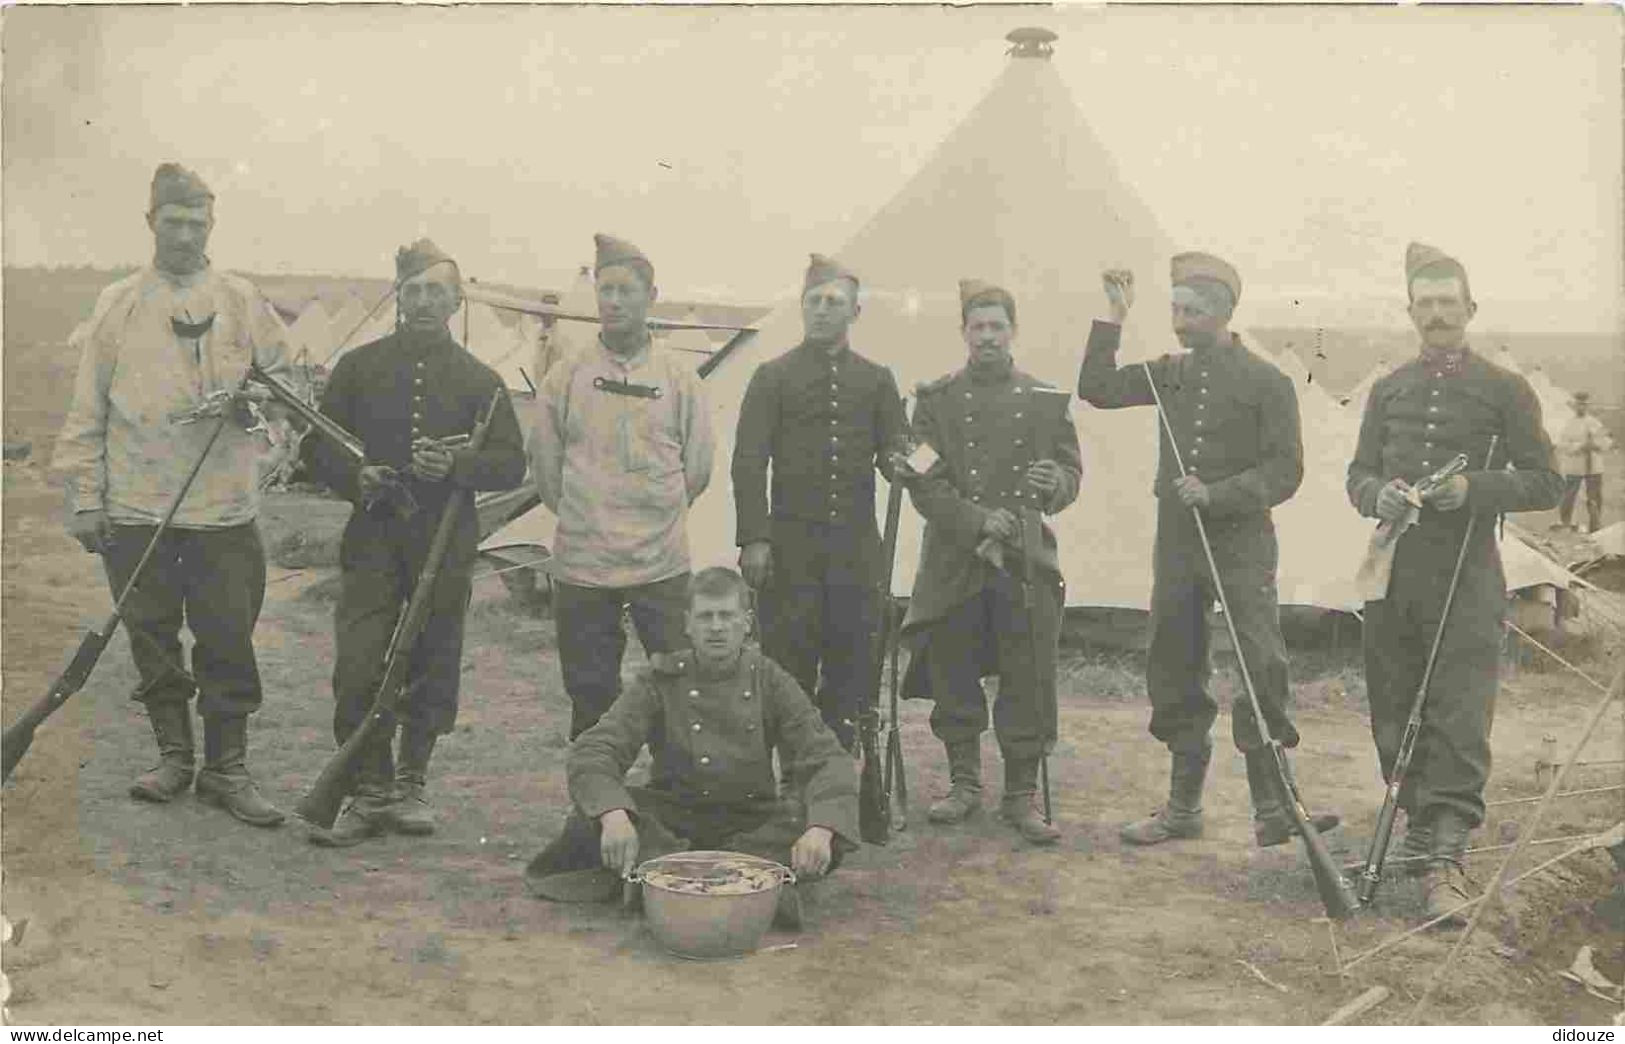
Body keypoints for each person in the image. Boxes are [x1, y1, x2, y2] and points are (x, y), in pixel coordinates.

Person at [51, 162, 291, 826]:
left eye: (197, 222)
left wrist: (256, 405)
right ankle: (174, 758)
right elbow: (87, 409)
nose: (185, 234)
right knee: (152, 635)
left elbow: (288, 392)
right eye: (173, 221)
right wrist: (86, 498)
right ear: (151, 221)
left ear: (212, 225)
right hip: (137, 508)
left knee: (227, 637)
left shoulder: (243, 301)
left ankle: (226, 770)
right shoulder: (118, 304)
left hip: (224, 510)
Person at [1076, 255, 1337, 850]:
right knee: (1175, 658)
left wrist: (1218, 494)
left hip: (1242, 543)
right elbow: (1096, 389)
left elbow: (1286, 470)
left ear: (1223, 313)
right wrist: (1114, 317)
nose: (1179, 321)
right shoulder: (1168, 372)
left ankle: (1274, 806)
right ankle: (1182, 808)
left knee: (1261, 662)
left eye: (1191, 311)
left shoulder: (1267, 382)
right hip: (1177, 544)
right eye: (1174, 309)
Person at [1347, 242, 1562, 925]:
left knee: (1458, 710)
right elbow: (1355, 476)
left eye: (1448, 302)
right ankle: (1413, 827)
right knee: (1393, 703)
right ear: (1409, 312)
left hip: (1467, 571)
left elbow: (1544, 482)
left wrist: (1471, 488)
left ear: (1469, 309)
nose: (1436, 314)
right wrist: (1376, 493)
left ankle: (1445, 857)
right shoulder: (1387, 389)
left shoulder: (1504, 389)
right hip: (1394, 570)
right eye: (1424, 303)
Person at [302, 238, 526, 846]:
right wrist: (357, 478)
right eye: (413, 289)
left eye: (436, 290)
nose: (424, 301)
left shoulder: (484, 381)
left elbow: (510, 464)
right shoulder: (358, 368)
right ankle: (368, 786)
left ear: (456, 300)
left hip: (445, 542)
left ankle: (410, 782)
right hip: (373, 538)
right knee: (358, 666)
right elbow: (315, 447)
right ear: (398, 296)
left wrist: (456, 469)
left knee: (431, 664)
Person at [524, 566, 858, 929]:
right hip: (674, 816)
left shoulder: (770, 679)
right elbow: (596, 749)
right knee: (590, 820)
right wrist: (613, 814)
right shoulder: (660, 678)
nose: (716, 627)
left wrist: (821, 829)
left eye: (726, 616)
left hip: (752, 819)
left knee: (823, 830)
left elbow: (827, 758)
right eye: (706, 616)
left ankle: (669, 879)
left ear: (746, 623)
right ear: (688, 623)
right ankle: (749, 883)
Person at [892, 279, 1080, 845]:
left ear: (1012, 331)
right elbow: (924, 481)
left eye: (999, 326)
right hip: (956, 556)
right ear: (964, 333)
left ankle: (1020, 795)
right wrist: (977, 521)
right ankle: (964, 783)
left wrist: (1056, 484)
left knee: (1027, 675)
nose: (989, 336)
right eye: (979, 327)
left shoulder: (1045, 400)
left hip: (1022, 557)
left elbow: (1070, 473)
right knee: (954, 670)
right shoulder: (936, 401)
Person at [532, 234, 715, 740]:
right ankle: (597, 800)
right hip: (585, 561)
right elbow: (546, 470)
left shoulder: (679, 377)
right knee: (590, 690)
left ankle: (676, 792)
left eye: (626, 290)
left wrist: (659, 511)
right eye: (606, 290)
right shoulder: (566, 377)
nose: (613, 301)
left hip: (661, 561)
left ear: (651, 296)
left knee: (678, 682)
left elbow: (697, 467)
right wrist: (585, 513)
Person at [732, 254, 909, 752]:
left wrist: (899, 460)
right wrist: (755, 539)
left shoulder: (877, 381)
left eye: (835, 302)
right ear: (801, 307)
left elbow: (894, 448)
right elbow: (749, 462)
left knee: (851, 663)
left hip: (855, 552)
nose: (823, 310)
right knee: (788, 664)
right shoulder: (773, 377)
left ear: (855, 313)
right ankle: (793, 777)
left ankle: (837, 777)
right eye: (815, 301)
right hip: (790, 551)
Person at [1554, 390, 1612, 533]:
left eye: (1584, 405)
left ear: (1588, 406)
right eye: (1579, 405)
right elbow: (1562, 445)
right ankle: (1565, 523)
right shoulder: (1568, 424)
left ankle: (1595, 525)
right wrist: (1580, 446)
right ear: (1574, 406)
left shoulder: (1595, 423)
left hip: (1594, 467)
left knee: (1594, 497)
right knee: (1569, 495)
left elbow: (1607, 442)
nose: (1581, 408)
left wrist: (1597, 445)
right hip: (1575, 466)